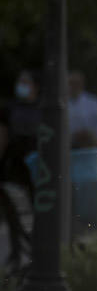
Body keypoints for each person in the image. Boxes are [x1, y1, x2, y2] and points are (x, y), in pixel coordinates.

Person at [1, 71, 38, 273]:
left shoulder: (41, 107)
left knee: (33, 210)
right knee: (13, 210)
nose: (22, 85)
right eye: (20, 81)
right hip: (13, 164)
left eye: (26, 82)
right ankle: (17, 254)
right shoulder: (10, 108)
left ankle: (31, 253)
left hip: (35, 165)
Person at [66, 70, 97, 148]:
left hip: (93, 145)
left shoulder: (94, 102)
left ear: (82, 84)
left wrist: (90, 134)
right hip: (70, 147)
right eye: (71, 83)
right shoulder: (63, 104)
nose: (74, 86)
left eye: (77, 83)